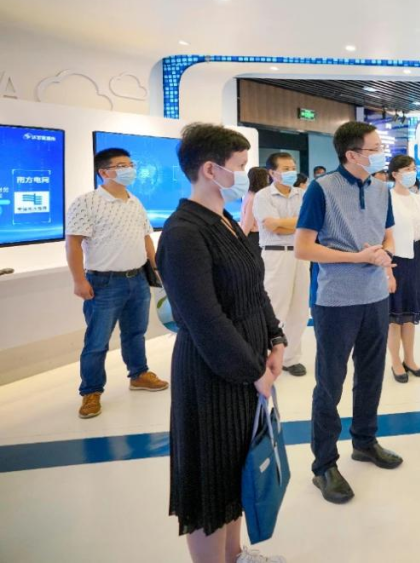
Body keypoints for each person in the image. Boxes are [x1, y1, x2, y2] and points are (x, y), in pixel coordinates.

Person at [156, 124, 286, 563]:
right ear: (211, 170)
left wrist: (276, 339)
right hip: (212, 375)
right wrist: (254, 371)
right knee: (210, 482)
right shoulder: (183, 232)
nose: (247, 175)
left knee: (236, 471)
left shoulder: (226, 221)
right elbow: (204, 319)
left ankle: (235, 554)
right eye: (240, 166)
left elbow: (254, 289)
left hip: (246, 367)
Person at [295, 122, 402, 505]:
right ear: (352, 154)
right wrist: (358, 257)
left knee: (371, 374)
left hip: (375, 296)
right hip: (336, 301)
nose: (381, 154)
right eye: (374, 148)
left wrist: (384, 253)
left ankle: (365, 441)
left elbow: (389, 234)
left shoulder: (381, 189)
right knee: (330, 382)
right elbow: (304, 248)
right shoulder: (321, 189)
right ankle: (324, 465)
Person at [66, 147, 169, 419]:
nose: (129, 170)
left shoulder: (135, 201)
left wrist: (157, 268)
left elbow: (146, 237)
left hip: (137, 278)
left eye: (130, 164)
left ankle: (139, 374)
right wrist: (78, 280)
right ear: (104, 172)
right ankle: (91, 391)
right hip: (103, 282)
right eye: (122, 165)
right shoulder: (86, 202)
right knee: (97, 341)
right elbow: (73, 243)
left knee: (135, 333)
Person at [253, 152, 310, 376]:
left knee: (300, 309)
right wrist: (295, 224)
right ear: (272, 172)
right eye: (285, 169)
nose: (291, 172)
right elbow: (271, 226)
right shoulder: (263, 196)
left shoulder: (303, 194)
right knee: (275, 308)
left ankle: (290, 358)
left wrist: (284, 224)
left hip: (301, 254)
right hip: (275, 256)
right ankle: (265, 356)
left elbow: (309, 223)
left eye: (293, 167)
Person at [386, 155, 420, 383]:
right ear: (395, 174)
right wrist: (387, 271)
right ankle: (395, 361)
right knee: (395, 316)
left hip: (416, 258)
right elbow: (383, 235)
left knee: (411, 314)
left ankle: (410, 359)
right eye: (407, 169)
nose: (411, 173)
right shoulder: (387, 198)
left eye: (413, 168)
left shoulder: (418, 198)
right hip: (396, 258)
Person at [240, 166, 271, 247]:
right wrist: (241, 240)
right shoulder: (254, 198)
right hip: (255, 237)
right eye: (267, 178)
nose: (268, 181)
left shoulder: (249, 195)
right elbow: (248, 223)